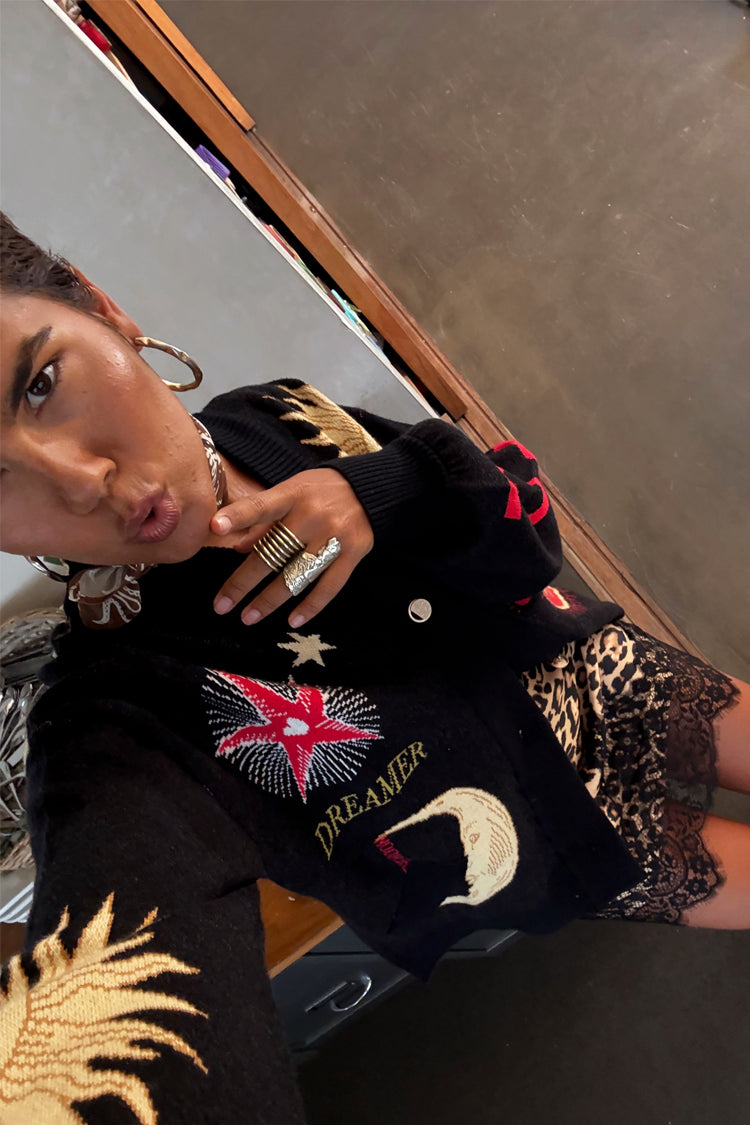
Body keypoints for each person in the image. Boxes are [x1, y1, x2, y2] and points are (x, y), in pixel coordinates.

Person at [0, 211, 747, 1123]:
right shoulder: (111, 726)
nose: (77, 480)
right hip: (572, 853)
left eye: (40, 383)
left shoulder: (275, 417)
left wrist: (392, 489)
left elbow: (525, 535)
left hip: (614, 681)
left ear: (102, 309)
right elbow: (108, 995)